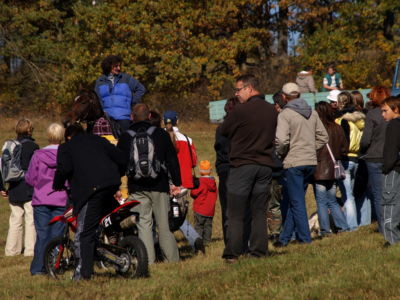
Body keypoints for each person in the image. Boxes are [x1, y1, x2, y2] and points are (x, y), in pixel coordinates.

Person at [53, 123, 126, 280]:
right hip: (111, 185)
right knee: (100, 221)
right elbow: (121, 158)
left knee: (84, 233)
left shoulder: (67, 147)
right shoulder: (99, 140)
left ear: (68, 137)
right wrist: (116, 176)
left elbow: (64, 169)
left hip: (92, 191)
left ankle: (82, 274)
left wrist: (57, 184)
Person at [221, 74, 278, 262]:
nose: (236, 94)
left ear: (249, 88)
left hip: (242, 165)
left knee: (236, 212)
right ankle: (259, 252)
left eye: (238, 89)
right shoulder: (272, 110)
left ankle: (233, 253)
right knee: (259, 211)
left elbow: (224, 131)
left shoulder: (240, 111)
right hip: (265, 165)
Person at [117, 104, 181, 264]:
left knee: (143, 224)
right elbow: (172, 160)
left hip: (136, 187)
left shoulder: (126, 136)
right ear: (149, 116)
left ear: (132, 117)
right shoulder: (161, 134)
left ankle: (148, 261)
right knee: (164, 225)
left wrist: (116, 185)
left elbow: (119, 163)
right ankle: (172, 260)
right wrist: (177, 183)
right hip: (160, 186)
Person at [274, 83, 328, 247]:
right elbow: (323, 137)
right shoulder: (312, 113)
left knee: (296, 202)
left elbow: (281, 140)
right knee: (294, 200)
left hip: (293, 162)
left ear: (284, 97)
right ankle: (284, 239)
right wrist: (311, 148)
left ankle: (305, 239)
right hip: (310, 162)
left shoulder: (285, 114)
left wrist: (281, 153)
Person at [25, 123, 68, 275]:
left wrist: (40, 185)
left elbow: (30, 178)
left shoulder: (38, 155)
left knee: (42, 235)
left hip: (41, 199)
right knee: (57, 236)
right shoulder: (66, 155)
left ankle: (38, 269)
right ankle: (53, 267)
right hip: (61, 199)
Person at [163, 110, 205, 253]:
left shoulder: (159, 136)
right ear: (177, 121)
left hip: (165, 183)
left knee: (164, 217)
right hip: (183, 184)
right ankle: (193, 239)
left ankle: (166, 248)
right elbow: (194, 162)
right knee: (179, 216)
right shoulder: (188, 139)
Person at [1, 118, 39, 257]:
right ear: (30, 130)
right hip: (29, 187)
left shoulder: (9, 146)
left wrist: (3, 187)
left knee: (15, 220)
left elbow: (2, 167)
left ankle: (11, 251)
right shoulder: (33, 147)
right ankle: (30, 251)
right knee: (30, 220)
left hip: (13, 187)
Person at [313, 102, 349, 236]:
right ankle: (343, 227)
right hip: (334, 169)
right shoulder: (338, 128)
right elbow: (344, 149)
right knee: (332, 200)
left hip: (319, 169)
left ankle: (325, 230)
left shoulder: (315, 129)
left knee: (321, 201)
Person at [360, 86, 391, 232]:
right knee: (392, 192)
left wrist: (363, 149)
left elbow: (365, 140)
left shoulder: (372, 114)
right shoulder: (395, 113)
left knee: (378, 195)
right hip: (391, 156)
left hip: (374, 157)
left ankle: (383, 228)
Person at [335, 91, 366, 231]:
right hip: (357, 158)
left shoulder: (340, 120)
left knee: (347, 196)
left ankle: (351, 226)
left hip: (345, 158)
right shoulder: (360, 119)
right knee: (351, 194)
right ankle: (356, 222)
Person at [95, 55, 146, 131]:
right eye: (116, 66)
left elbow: (141, 89)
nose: (119, 68)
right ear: (109, 66)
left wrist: (132, 100)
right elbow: (97, 99)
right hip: (106, 119)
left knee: (125, 140)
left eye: (119, 66)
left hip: (124, 117)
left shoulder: (126, 78)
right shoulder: (100, 81)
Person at [214, 97, 239, 244]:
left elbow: (219, 148)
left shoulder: (221, 128)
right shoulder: (241, 127)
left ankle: (229, 240)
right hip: (237, 168)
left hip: (225, 170)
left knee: (227, 209)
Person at [380, 96, 400, 245]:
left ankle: (391, 239)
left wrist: (386, 167)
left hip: (393, 170)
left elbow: (390, 151)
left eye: (385, 111)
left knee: (390, 203)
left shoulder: (394, 125)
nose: (383, 114)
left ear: (396, 109)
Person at [190, 160, 217, 245]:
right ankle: (207, 242)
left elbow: (193, 193)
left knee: (199, 226)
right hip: (210, 210)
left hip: (200, 209)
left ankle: (198, 243)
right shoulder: (213, 182)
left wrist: (193, 186)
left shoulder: (201, 182)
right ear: (210, 170)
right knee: (208, 226)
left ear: (200, 171)